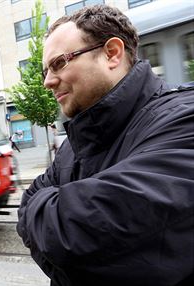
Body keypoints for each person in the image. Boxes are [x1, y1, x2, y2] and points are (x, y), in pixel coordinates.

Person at [17, 5, 193, 286]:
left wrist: (57, 240)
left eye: (59, 63)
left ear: (112, 53)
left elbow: (78, 234)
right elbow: (28, 204)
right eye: (45, 71)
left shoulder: (183, 121)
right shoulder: (74, 143)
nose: (48, 82)